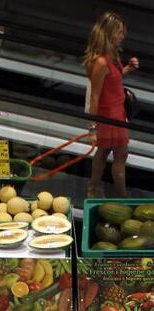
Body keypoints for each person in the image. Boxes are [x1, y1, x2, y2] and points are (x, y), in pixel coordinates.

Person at [83, 12, 139, 198]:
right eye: (120, 33)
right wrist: (92, 128)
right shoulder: (100, 62)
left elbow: (113, 80)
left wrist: (127, 69)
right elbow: (95, 96)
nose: (123, 37)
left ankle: (94, 188)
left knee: (104, 150)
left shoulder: (110, 56)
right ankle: (121, 197)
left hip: (116, 111)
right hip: (110, 116)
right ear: (108, 33)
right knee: (121, 156)